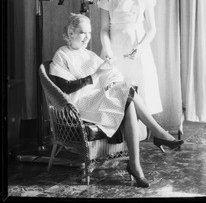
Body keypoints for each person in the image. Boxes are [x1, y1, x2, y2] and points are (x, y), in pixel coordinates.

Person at [49, 13, 184, 188]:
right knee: (127, 94)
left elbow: (111, 72)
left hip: (96, 100)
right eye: (83, 33)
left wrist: (110, 82)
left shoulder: (88, 54)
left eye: (89, 33)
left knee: (126, 94)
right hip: (80, 105)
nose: (87, 38)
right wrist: (95, 76)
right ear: (71, 32)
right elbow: (65, 87)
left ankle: (135, 165)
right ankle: (158, 135)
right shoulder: (62, 55)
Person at [97, 0, 162, 116]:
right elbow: (104, 29)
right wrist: (108, 50)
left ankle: (143, 131)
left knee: (140, 87)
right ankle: (119, 134)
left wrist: (140, 47)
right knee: (115, 90)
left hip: (137, 46)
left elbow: (152, 29)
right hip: (115, 47)